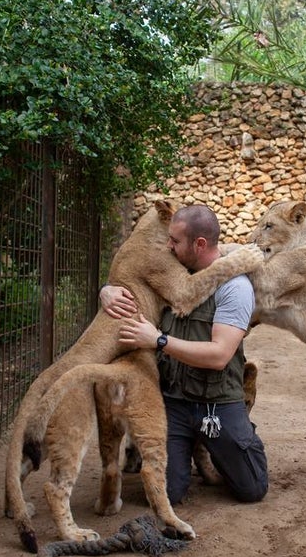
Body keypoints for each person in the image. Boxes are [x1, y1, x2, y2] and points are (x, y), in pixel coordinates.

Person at [101, 204, 268, 506]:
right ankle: (187, 444)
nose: (168, 246)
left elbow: (219, 356)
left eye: (175, 241)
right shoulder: (171, 275)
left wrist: (159, 340)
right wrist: (107, 290)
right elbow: (132, 279)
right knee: (168, 493)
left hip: (215, 402)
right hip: (174, 400)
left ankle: (237, 436)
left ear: (199, 244)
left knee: (252, 489)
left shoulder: (235, 287)